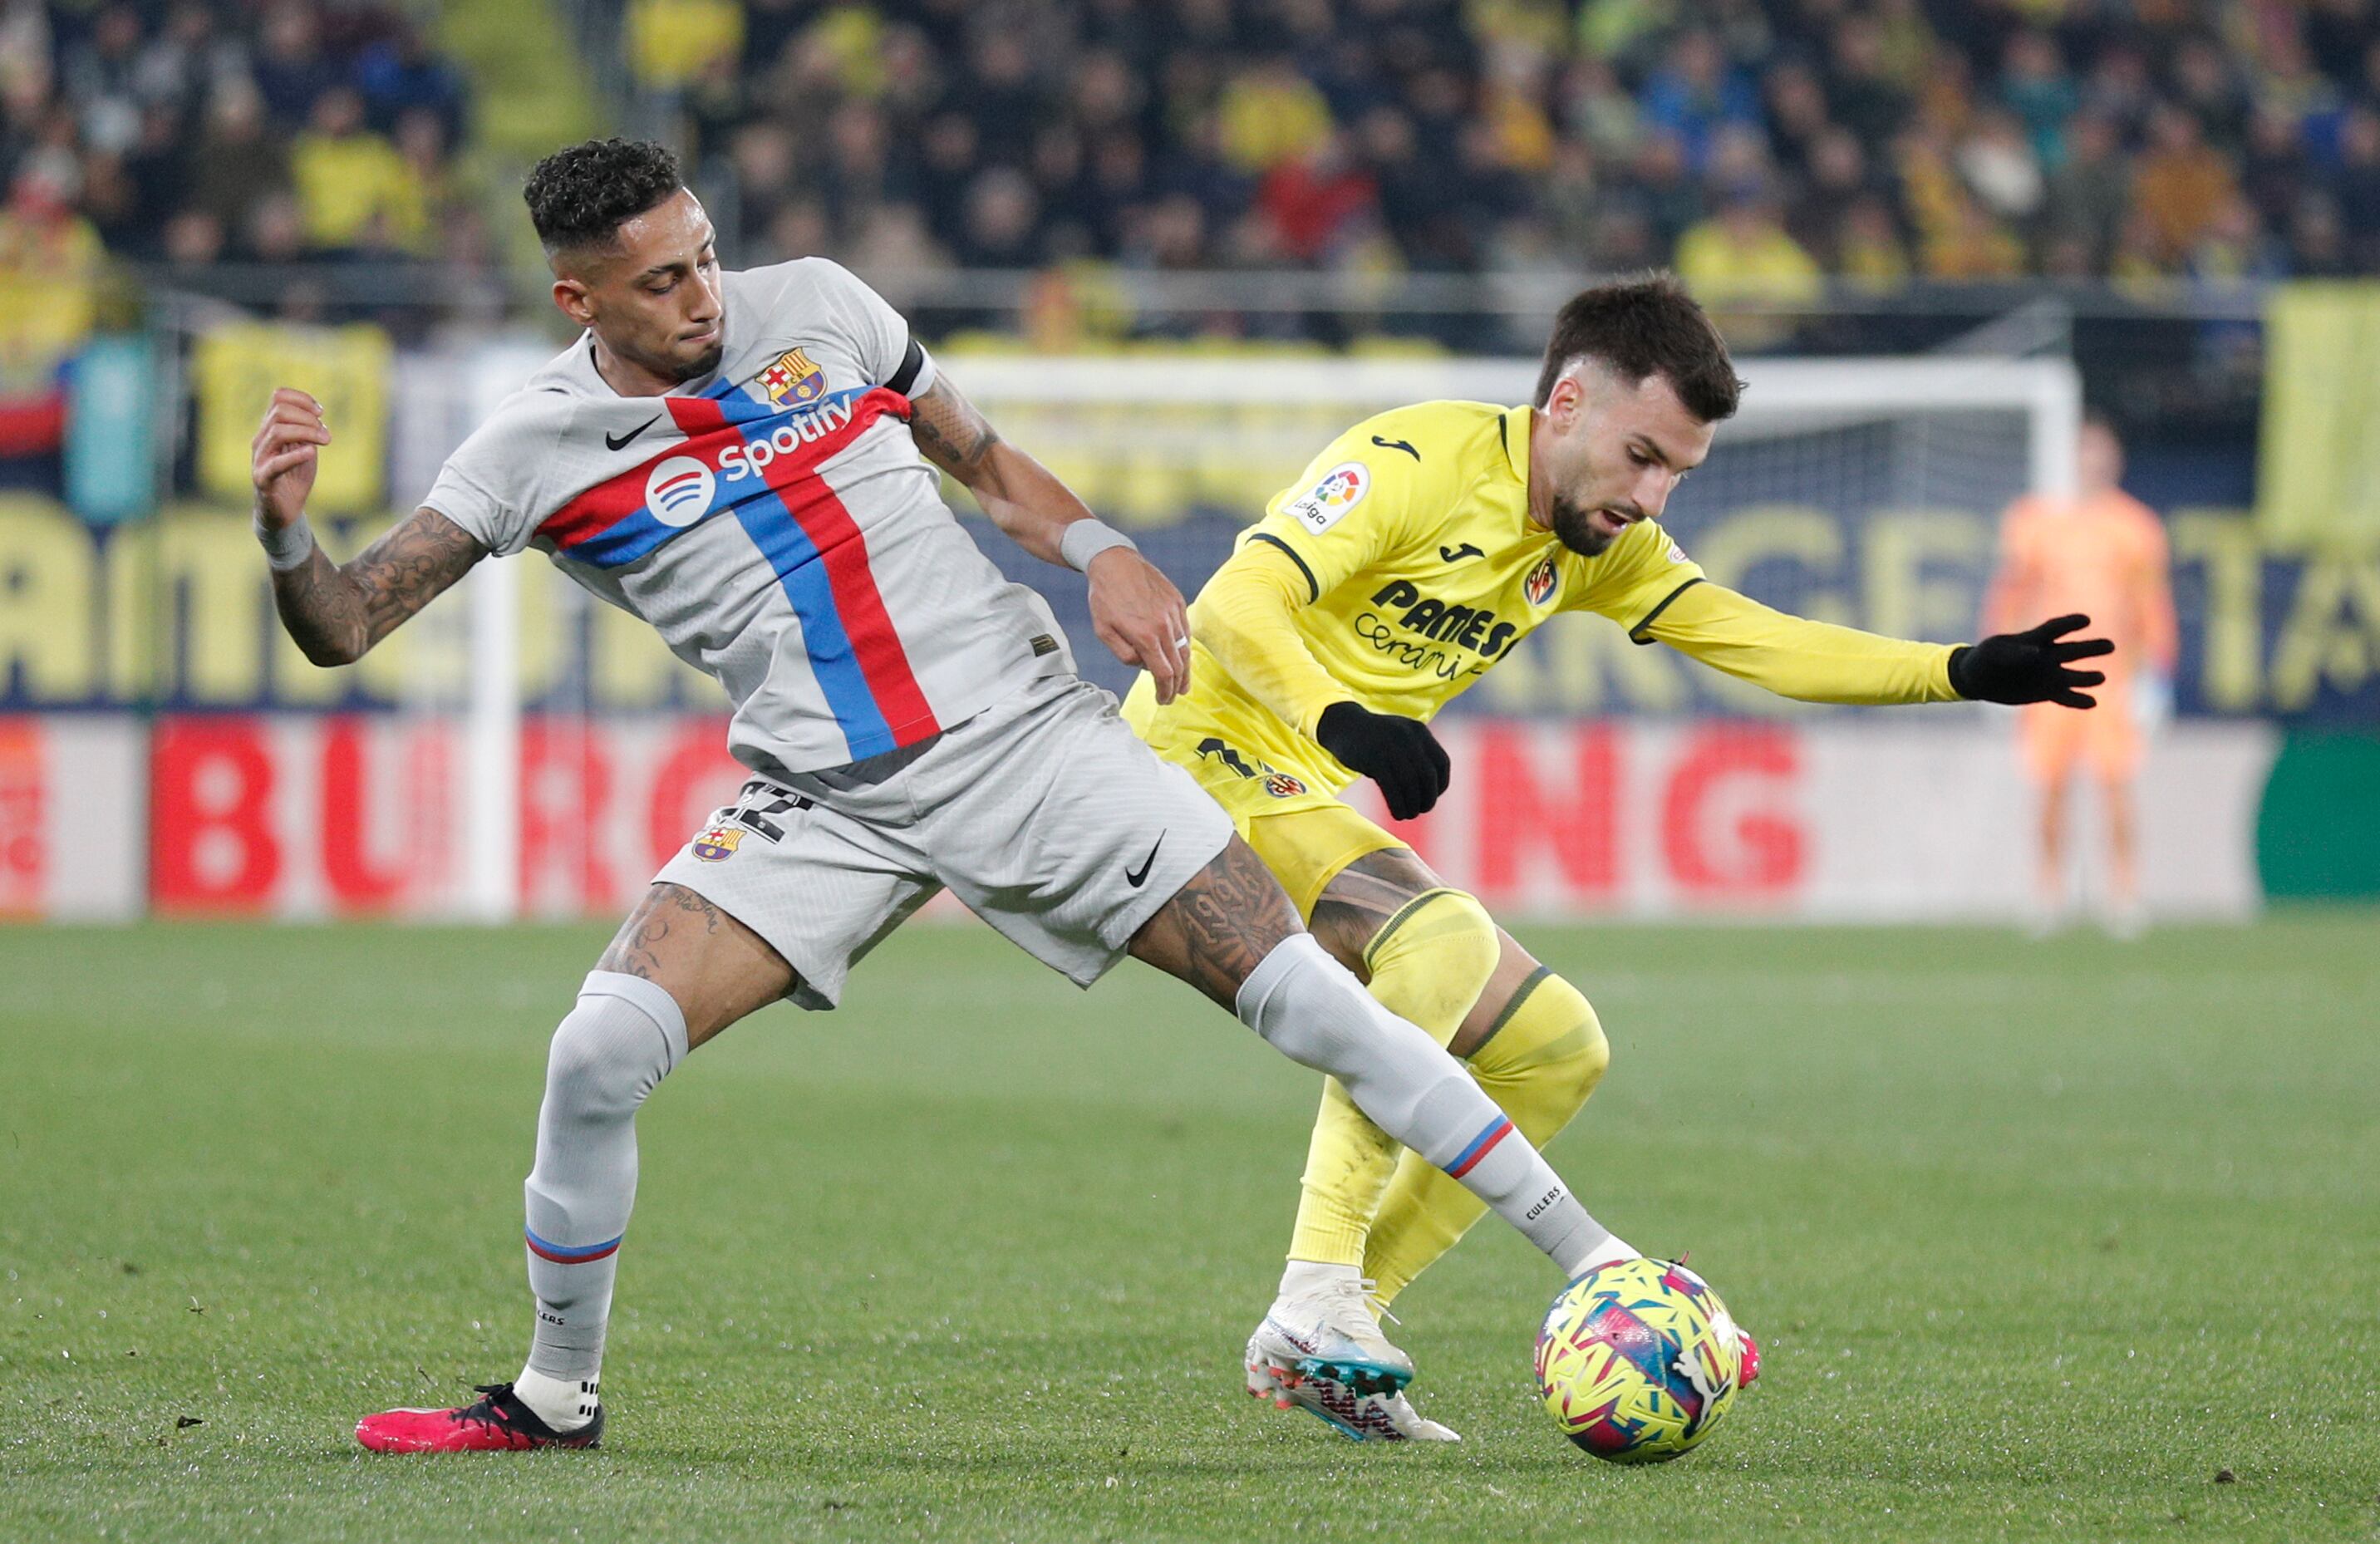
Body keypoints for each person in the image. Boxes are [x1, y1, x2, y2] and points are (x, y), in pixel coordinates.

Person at [247, 138, 1642, 1453]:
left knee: (1306, 997)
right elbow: (348, 621)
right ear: (578, 296)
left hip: (1024, 738)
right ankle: (557, 1397)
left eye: (706, 254)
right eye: (661, 279)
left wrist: (1097, 547)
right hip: (825, 795)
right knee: (595, 1050)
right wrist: (286, 529)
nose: (702, 294)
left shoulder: (822, 313)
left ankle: (1603, 1266)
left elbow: (977, 457)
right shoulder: (530, 448)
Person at [1120, 275, 2113, 1441]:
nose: (1651, 496)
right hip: (1194, 752)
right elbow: (1235, 602)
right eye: (1641, 455)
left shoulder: (1600, 547)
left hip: (1294, 782)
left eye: (1676, 474)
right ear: (1568, 402)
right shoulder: (1416, 457)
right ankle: (1316, 1294)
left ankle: (1341, 1325)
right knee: (1437, 938)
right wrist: (1345, 720)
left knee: (1553, 1050)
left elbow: (1766, 644)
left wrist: (1958, 669)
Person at [1984, 416, 2177, 935]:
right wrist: (1994, 664)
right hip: (2049, 675)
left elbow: (2151, 604)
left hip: (2112, 678)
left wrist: (2157, 676)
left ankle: (2124, 892)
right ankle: (2049, 891)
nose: (2091, 461)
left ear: (2114, 460)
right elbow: (2011, 595)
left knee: (2116, 785)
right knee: (2048, 786)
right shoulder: (2033, 520)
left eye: (2099, 451)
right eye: (2082, 451)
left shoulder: (2135, 526)